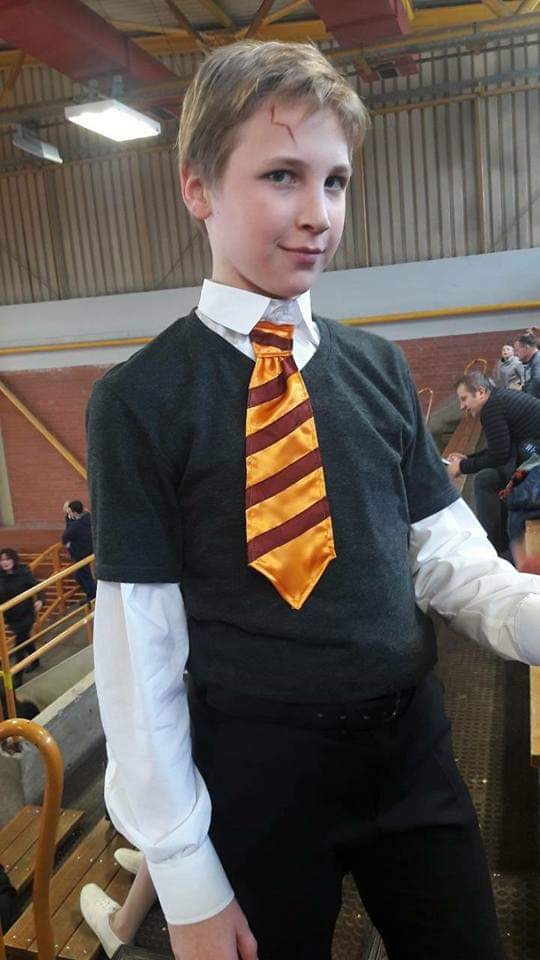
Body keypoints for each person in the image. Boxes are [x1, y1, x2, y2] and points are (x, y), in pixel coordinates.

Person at [85, 41, 540, 960]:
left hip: (410, 748)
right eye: (282, 176)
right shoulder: (140, 400)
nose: (317, 215)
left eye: (336, 182)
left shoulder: (375, 366)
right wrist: (185, 872)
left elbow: (446, 553)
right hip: (259, 770)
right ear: (198, 187)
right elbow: (140, 647)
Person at [447, 371, 540, 554]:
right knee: (487, 478)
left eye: (464, 399)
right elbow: (500, 447)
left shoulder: (491, 409)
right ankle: (498, 547)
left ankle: (496, 549)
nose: (462, 406)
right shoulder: (498, 400)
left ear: (481, 392)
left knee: (487, 480)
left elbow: (499, 456)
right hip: (532, 453)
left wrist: (462, 467)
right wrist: (468, 459)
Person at [0, 549, 44, 687]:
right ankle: (35, 660)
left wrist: (40, 600)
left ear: (14, 560)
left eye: (8, 559)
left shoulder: (23, 572)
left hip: (26, 614)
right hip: (11, 617)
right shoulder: (1, 577)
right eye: (2, 560)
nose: (5, 562)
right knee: (24, 639)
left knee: (19, 645)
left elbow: (38, 587)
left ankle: (17, 676)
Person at [62, 500, 96, 602]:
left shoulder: (75, 525)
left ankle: (92, 597)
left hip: (81, 553)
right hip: (91, 550)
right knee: (80, 576)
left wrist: (69, 519)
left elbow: (65, 537)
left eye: (70, 512)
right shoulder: (89, 517)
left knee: (84, 576)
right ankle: (91, 595)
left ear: (74, 513)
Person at [514, 332, 540, 398]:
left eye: (517, 350)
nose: (515, 354)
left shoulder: (537, 361)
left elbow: (537, 381)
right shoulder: (533, 361)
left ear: (526, 348)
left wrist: (526, 399)